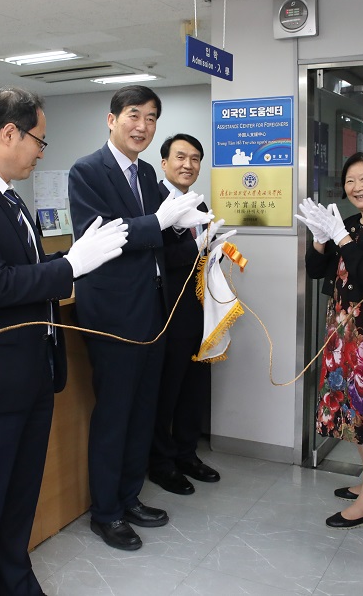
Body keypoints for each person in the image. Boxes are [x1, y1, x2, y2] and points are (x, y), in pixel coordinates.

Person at [0, 88, 127, 596]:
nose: (41, 152)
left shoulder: (9, 195)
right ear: (9, 133)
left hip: (31, 371)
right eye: (39, 140)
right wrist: (70, 266)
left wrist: (70, 261)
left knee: (19, 498)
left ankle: (16, 581)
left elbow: (26, 270)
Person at [68, 86, 212, 551]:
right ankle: (105, 512)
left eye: (151, 118)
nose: (142, 126)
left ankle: (129, 497)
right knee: (115, 415)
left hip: (153, 311)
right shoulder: (87, 171)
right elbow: (103, 236)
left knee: (142, 412)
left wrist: (189, 232)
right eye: (134, 115)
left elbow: (157, 241)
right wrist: (161, 222)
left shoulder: (147, 172)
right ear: (112, 119)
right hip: (113, 315)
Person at [296, 152, 363, 529]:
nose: (357, 187)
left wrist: (342, 238)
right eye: (350, 181)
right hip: (342, 330)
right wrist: (320, 239)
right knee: (352, 411)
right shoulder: (349, 224)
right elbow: (316, 271)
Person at [148, 133, 232, 495]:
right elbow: (157, 258)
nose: (188, 164)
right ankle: (161, 462)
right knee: (166, 390)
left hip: (200, 310)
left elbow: (200, 255)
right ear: (164, 162)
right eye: (180, 157)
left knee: (194, 387)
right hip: (168, 312)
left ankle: (186, 453)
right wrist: (197, 247)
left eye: (195, 158)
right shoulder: (153, 202)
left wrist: (214, 251)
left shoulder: (198, 202)